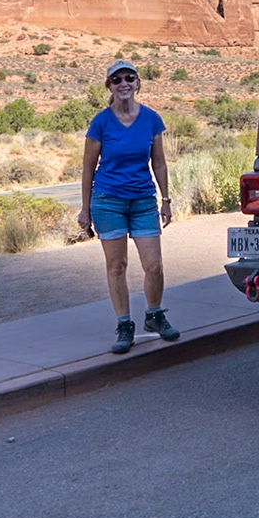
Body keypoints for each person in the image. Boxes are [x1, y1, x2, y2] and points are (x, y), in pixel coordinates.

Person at [78, 59, 178, 354]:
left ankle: (154, 315)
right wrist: (85, 210)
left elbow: (158, 162)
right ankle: (124, 324)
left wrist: (166, 199)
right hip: (108, 201)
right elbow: (87, 169)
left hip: (143, 200)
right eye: (117, 80)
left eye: (129, 78)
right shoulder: (101, 122)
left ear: (137, 84)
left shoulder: (151, 119)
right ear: (109, 86)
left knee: (154, 265)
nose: (124, 84)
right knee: (117, 265)